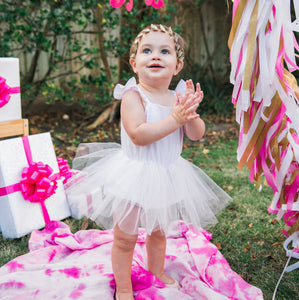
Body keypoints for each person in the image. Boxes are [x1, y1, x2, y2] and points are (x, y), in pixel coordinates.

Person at [66, 24, 232, 300]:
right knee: (125, 237)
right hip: (133, 175)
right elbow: (139, 135)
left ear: (177, 66)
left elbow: (196, 134)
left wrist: (190, 114)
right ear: (134, 63)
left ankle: (156, 270)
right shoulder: (133, 96)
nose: (155, 55)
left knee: (158, 232)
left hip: (166, 175)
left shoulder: (177, 99)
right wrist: (175, 118)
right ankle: (124, 287)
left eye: (164, 51)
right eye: (147, 50)